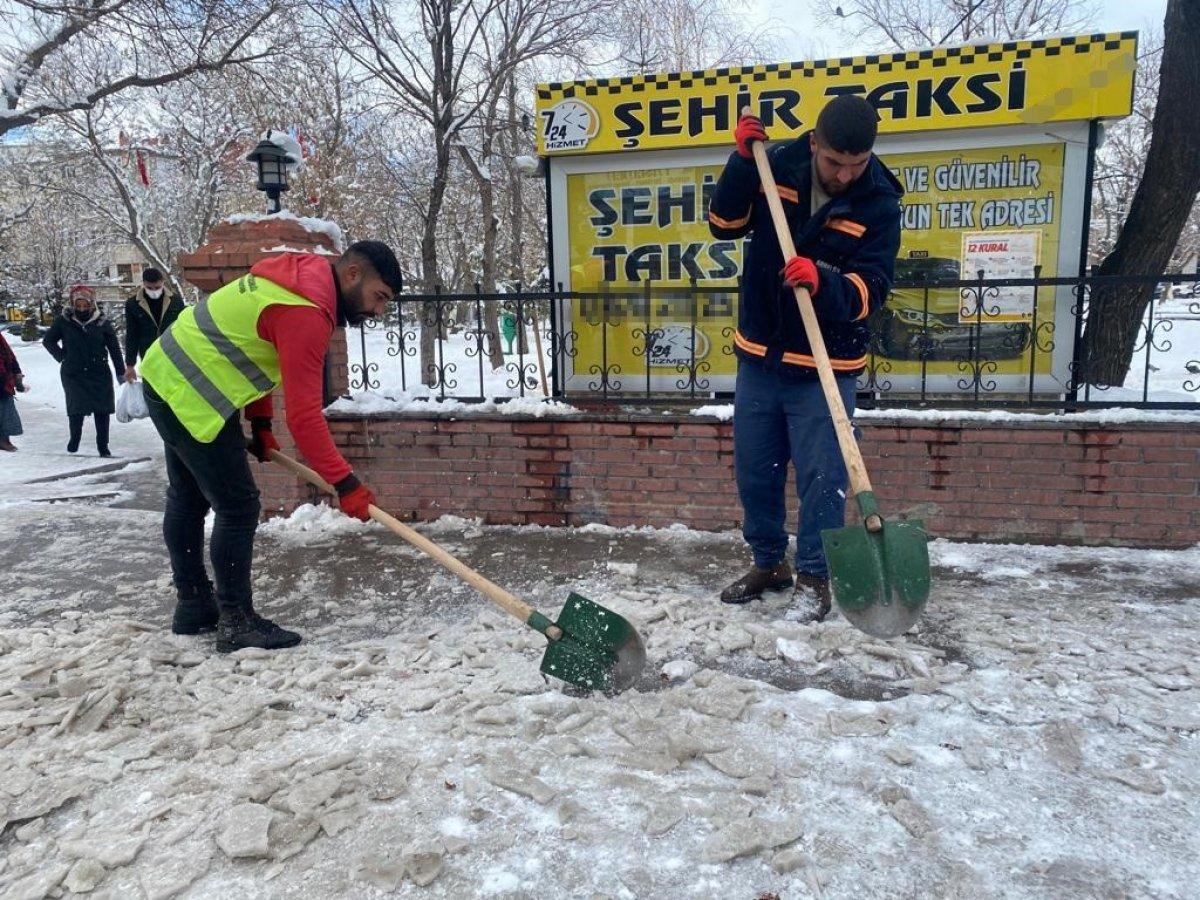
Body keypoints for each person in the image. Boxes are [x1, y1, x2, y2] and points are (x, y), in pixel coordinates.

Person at [140, 242, 401, 652]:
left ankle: (193, 606)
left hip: (167, 371)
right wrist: (345, 484)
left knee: (188, 497)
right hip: (191, 391)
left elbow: (250, 351)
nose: (378, 311)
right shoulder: (306, 311)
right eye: (379, 297)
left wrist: (260, 422)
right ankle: (235, 621)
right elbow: (304, 419)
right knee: (238, 506)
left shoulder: (299, 280)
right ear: (352, 274)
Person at [708, 94, 902, 622]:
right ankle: (770, 563)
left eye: (855, 164)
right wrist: (743, 162)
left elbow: (872, 291)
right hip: (761, 356)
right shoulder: (780, 165)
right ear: (815, 143)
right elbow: (723, 225)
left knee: (823, 478)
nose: (843, 175)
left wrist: (826, 282)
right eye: (835, 161)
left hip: (824, 369)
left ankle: (815, 576)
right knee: (756, 473)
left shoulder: (880, 201)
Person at [42, 285, 125, 457]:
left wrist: (120, 371)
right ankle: (75, 438)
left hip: (99, 372)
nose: (81, 309)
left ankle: (103, 446)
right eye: (78, 305)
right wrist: (62, 357)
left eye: (85, 305)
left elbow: (114, 348)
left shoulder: (102, 322)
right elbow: (48, 341)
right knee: (76, 408)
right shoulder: (63, 321)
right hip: (74, 373)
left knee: (102, 410)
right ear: (73, 304)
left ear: (91, 304)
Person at [124, 267, 185, 382]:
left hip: (172, 352)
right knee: (153, 387)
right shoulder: (133, 304)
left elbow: (182, 328)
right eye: (149, 288)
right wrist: (130, 365)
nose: (153, 291)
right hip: (148, 354)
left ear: (163, 283)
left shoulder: (175, 301)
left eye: (157, 287)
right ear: (143, 284)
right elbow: (132, 335)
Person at [0, 329, 27, 451]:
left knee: (6, 412)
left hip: (3, 380)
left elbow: (10, 356)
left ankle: (4, 439)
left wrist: (17, 372)